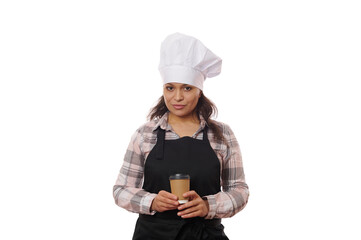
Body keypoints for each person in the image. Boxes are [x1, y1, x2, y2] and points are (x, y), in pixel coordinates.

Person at [113, 32, 249, 240]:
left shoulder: (222, 136)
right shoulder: (145, 135)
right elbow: (121, 190)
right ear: (163, 90)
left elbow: (239, 191)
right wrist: (151, 202)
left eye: (187, 88)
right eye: (170, 88)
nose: (177, 97)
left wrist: (207, 205)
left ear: (199, 91)